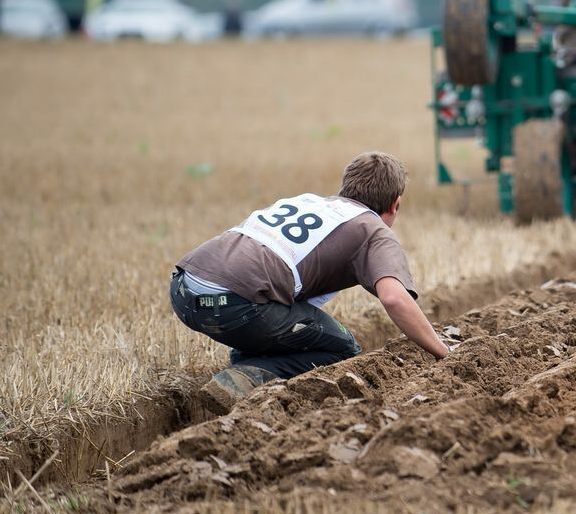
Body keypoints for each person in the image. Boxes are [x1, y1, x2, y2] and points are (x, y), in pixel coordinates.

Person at [169, 152, 449, 413]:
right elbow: (394, 298)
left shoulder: (308, 202)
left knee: (285, 321)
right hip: (238, 306)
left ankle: (245, 377)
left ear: (346, 188)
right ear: (395, 204)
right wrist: (444, 353)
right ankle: (243, 380)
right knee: (342, 348)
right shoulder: (372, 228)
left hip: (184, 290)